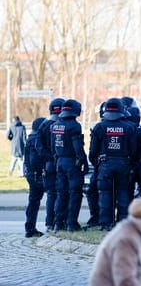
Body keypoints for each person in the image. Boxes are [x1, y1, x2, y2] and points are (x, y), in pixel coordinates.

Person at [89, 98, 137, 231]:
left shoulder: (100, 127)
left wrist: (96, 163)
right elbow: (134, 150)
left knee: (105, 194)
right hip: (124, 164)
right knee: (123, 193)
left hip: (105, 164)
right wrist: (131, 163)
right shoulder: (129, 127)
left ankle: (105, 223)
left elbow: (93, 150)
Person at [51, 99, 88, 232]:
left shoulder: (55, 125)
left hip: (59, 161)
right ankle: (72, 223)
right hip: (72, 163)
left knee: (61, 194)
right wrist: (83, 161)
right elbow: (77, 148)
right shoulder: (74, 126)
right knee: (75, 193)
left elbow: (52, 147)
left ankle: (58, 223)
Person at [37, 97, 65, 232]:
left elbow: (39, 147)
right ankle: (60, 221)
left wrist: (48, 158)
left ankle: (49, 223)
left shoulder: (44, 125)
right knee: (62, 193)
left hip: (49, 165)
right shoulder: (65, 124)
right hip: (62, 163)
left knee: (51, 194)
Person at [23, 117, 46, 237]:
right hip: (37, 175)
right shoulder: (37, 139)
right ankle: (31, 228)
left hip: (31, 174)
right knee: (55, 196)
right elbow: (35, 159)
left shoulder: (30, 138)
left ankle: (30, 228)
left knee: (33, 202)